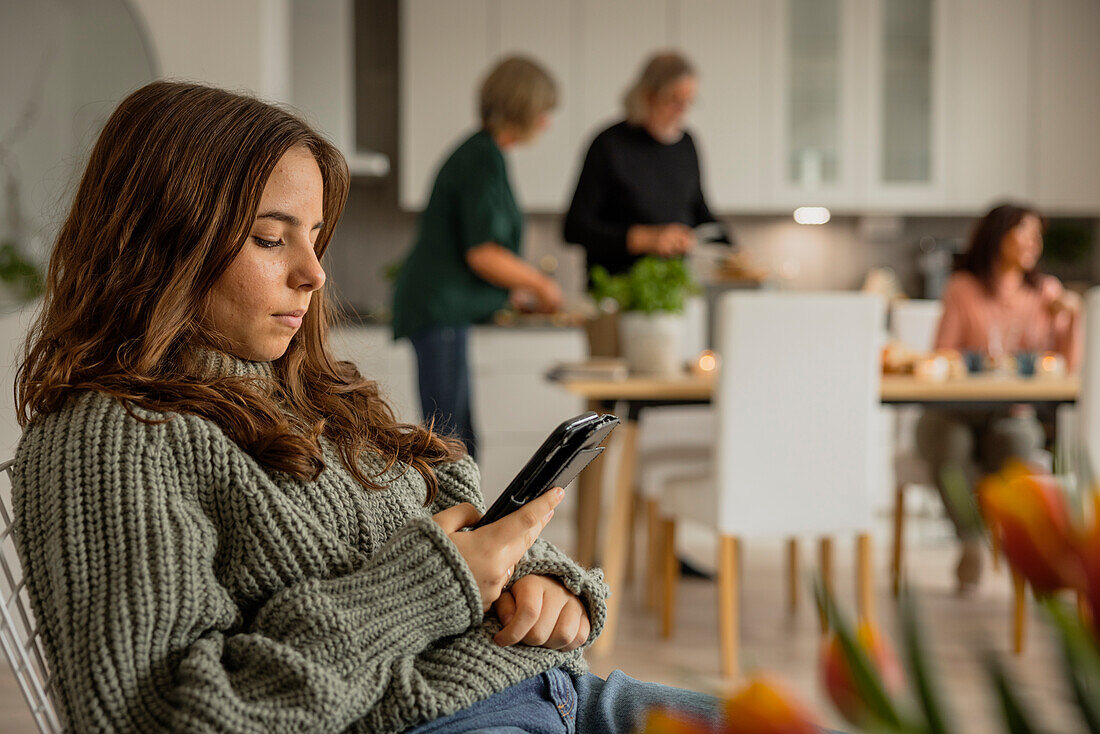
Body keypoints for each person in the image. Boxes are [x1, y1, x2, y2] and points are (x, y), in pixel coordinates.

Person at [11, 80, 723, 733]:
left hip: (564, 692)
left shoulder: (308, 391)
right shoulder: (111, 438)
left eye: (314, 238)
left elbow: (456, 511)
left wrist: (539, 583)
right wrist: (431, 584)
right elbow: (165, 720)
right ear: (159, 240)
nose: (314, 273)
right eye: (270, 238)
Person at [392, 56, 563, 461]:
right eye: (544, 110)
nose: (547, 122)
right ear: (523, 107)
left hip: (446, 311)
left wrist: (512, 292)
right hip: (439, 309)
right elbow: (483, 252)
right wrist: (541, 284)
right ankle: (453, 524)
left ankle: (465, 523)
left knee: (460, 438)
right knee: (452, 443)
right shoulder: (481, 158)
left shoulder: (486, 155)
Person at [916, 202, 1082, 593]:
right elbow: (941, 357)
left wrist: (1072, 319)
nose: (1033, 243)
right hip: (956, 411)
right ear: (997, 237)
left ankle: (1023, 550)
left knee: (1019, 443)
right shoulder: (962, 288)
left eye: (1036, 235)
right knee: (948, 444)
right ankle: (971, 540)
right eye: (1023, 233)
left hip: (1012, 411)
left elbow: (1067, 369)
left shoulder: (1046, 293)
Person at [563, 51, 731, 280]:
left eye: (688, 101)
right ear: (648, 96)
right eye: (673, 100)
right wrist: (647, 239)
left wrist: (734, 253)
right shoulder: (609, 144)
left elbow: (700, 211)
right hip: (616, 287)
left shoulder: (687, 144)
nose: (682, 111)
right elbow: (575, 228)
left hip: (672, 287)